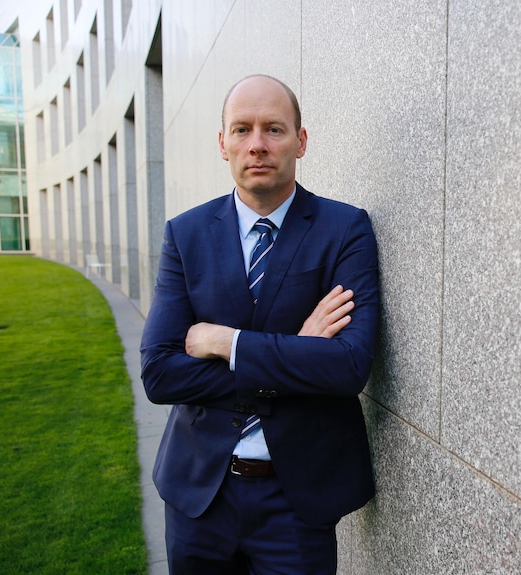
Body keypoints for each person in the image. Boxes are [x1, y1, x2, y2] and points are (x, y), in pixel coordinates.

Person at [140, 74, 379, 575]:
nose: (257, 145)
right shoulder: (185, 235)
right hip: (198, 495)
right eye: (242, 129)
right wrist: (296, 352)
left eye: (273, 129)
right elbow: (160, 373)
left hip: (297, 501)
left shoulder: (346, 229)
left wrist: (227, 343)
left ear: (301, 141)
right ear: (222, 143)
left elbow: (348, 366)